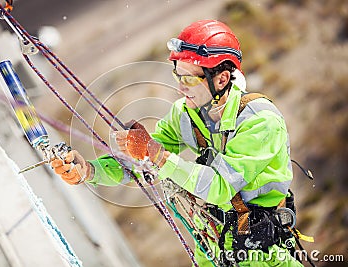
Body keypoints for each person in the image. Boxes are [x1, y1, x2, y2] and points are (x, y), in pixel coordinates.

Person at [51, 20, 303, 266]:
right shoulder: (185, 114)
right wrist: (91, 171)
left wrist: (158, 155)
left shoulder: (260, 122)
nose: (181, 88)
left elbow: (219, 186)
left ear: (222, 79)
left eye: (190, 79)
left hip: (262, 254)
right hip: (213, 244)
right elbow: (141, 164)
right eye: (178, 76)